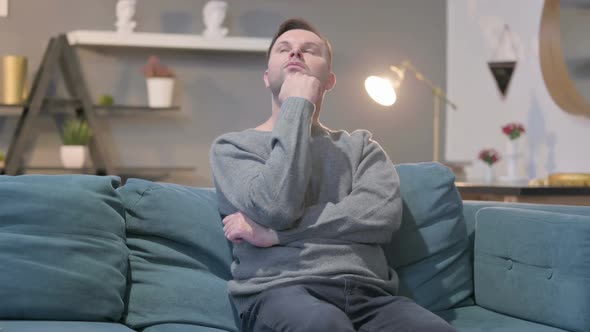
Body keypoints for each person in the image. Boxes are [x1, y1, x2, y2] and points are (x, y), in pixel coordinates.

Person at [209, 18, 457, 332]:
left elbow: (380, 217)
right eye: (284, 49)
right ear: (266, 76)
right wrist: (297, 105)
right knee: (325, 324)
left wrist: (279, 236)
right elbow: (275, 207)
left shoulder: (361, 147)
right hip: (281, 291)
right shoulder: (233, 148)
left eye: (309, 50)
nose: (295, 54)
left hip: (371, 296)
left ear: (330, 80)